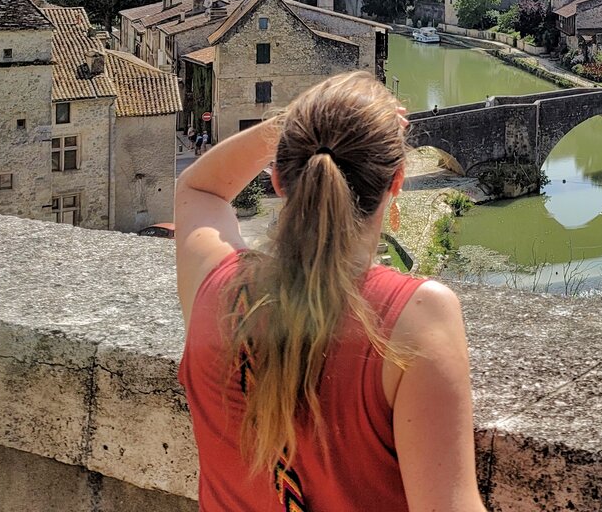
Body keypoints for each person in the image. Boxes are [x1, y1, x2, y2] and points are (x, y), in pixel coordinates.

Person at [175, 72, 485, 511]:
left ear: (279, 181)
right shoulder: (415, 318)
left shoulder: (214, 290)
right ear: (397, 182)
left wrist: (292, 123)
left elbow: (198, 188)